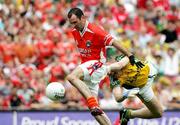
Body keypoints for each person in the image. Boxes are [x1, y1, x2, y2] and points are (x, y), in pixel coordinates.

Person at [66, 8, 144, 125]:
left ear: (83, 18)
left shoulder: (95, 31)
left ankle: (93, 103)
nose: (73, 26)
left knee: (71, 77)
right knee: (95, 111)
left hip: (97, 65)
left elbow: (114, 41)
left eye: (75, 22)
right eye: (71, 23)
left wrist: (129, 54)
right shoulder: (74, 31)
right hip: (88, 69)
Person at [107, 55, 163, 125]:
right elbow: (117, 98)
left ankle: (128, 114)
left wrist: (109, 68)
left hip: (150, 69)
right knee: (159, 113)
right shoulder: (114, 79)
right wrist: (126, 95)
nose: (113, 74)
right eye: (110, 74)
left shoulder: (121, 59)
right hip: (143, 87)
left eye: (113, 72)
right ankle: (129, 114)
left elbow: (120, 65)